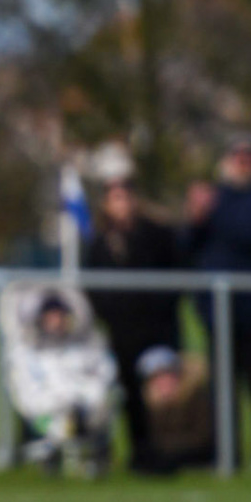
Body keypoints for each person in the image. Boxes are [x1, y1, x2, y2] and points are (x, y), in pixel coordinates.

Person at [185, 136, 251, 471]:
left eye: (249, 159)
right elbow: (189, 244)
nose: (242, 164)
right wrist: (196, 216)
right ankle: (227, 457)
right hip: (218, 312)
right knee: (222, 388)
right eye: (237, 158)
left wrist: (213, 208)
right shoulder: (218, 199)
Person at [84, 178, 179, 472]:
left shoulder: (156, 235)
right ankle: (137, 453)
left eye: (126, 197)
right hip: (120, 332)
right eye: (115, 198)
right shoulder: (99, 242)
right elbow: (93, 288)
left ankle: (165, 454)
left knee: (160, 395)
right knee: (128, 396)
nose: (122, 204)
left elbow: (175, 275)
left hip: (155, 330)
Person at [2, 287, 117, 477]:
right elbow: (25, 391)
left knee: (103, 405)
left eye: (60, 316)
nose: (56, 322)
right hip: (47, 414)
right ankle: (51, 454)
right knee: (52, 424)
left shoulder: (85, 347)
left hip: (85, 409)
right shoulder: (27, 353)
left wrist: (82, 401)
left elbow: (103, 374)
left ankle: (96, 455)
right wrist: (59, 404)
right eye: (51, 317)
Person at [137, 346, 216, 472]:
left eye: (167, 375)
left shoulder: (196, 397)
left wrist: (168, 448)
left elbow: (202, 435)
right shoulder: (152, 403)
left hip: (195, 449)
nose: (164, 382)